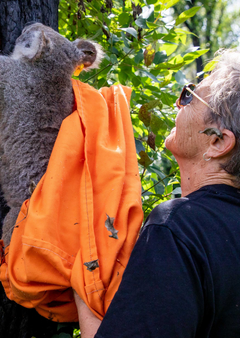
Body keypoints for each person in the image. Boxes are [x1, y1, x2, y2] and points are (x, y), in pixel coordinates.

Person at [74, 51, 240, 338]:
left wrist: (82, 275)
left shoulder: (179, 228)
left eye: (189, 96)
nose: (178, 102)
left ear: (218, 141)